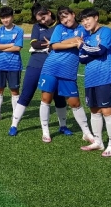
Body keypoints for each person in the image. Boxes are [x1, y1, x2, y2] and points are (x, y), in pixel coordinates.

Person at [8, 4, 70, 136]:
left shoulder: (60, 26)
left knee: (58, 97)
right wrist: (52, 44)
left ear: (48, 12)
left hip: (56, 65)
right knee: (27, 93)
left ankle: (63, 126)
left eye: (44, 17)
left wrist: (53, 44)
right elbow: (34, 43)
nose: (43, 21)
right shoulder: (37, 27)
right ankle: (14, 125)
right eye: (40, 20)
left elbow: (64, 43)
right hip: (36, 64)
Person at [38, 7, 93, 143]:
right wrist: (74, 41)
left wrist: (65, 42)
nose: (65, 20)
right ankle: (45, 131)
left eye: (67, 16)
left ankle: (86, 132)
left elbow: (83, 43)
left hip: (68, 71)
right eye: (62, 18)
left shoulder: (83, 29)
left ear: (73, 14)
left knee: (75, 102)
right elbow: (55, 46)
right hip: (51, 67)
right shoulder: (58, 29)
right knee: (46, 99)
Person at [77, 9, 111, 157]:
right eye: (83, 21)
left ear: (96, 18)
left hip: (106, 77)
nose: (85, 23)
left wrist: (83, 46)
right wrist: (87, 49)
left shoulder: (106, 31)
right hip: (90, 78)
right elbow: (82, 58)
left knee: (107, 111)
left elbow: (100, 50)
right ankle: (98, 141)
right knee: (94, 111)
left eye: (88, 19)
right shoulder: (87, 37)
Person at [0, 6, 24, 121]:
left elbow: (18, 48)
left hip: (14, 65)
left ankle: (15, 115)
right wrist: (11, 44)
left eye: (7, 17)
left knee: (14, 90)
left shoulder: (19, 30)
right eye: (3, 18)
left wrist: (3, 47)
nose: (5, 20)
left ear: (12, 17)